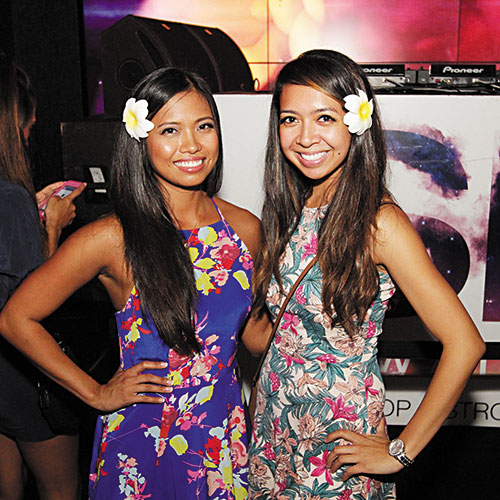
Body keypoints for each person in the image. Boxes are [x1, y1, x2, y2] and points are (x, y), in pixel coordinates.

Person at [0, 66, 264, 499]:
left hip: (222, 434)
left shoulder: (245, 229)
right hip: (145, 439)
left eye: (204, 126)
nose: (192, 145)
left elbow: (251, 336)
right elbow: (15, 318)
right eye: (170, 130)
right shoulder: (112, 238)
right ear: (142, 139)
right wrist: (95, 393)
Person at [243, 49, 485, 499]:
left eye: (325, 118)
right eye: (291, 119)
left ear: (356, 122)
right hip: (274, 430)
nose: (306, 137)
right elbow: (270, 336)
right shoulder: (291, 207)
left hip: (335, 444)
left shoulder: (379, 223)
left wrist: (399, 452)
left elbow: (465, 343)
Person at [0, 52, 85, 500]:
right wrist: (52, 227)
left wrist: (28, 212)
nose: (33, 127)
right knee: (61, 490)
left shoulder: (12, 199)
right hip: (20, 377)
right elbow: (34, 302)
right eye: (29, 119)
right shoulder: (10, 198)